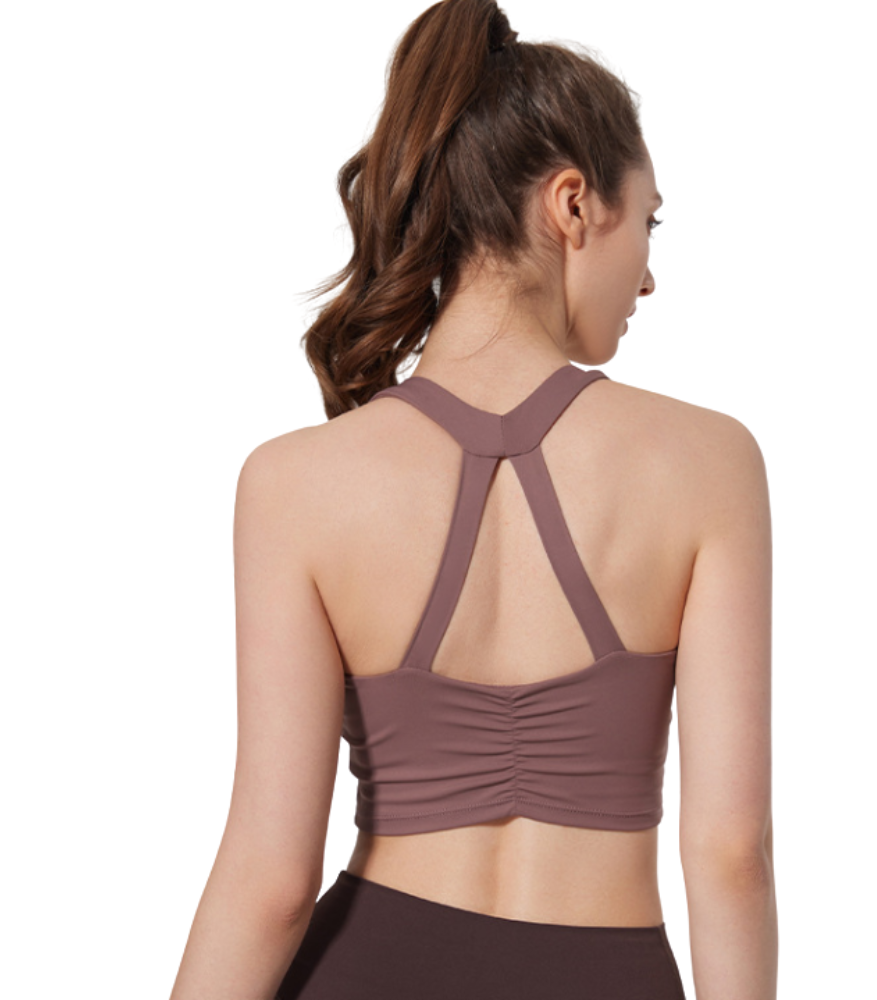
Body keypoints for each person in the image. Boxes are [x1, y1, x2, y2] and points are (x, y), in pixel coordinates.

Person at [169, 2, 777, 998]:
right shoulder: (708, 463)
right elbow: (730, 850)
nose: (648, 278)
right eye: (648, 221)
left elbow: (268, 883)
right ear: (572, 204)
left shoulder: (292, 484)